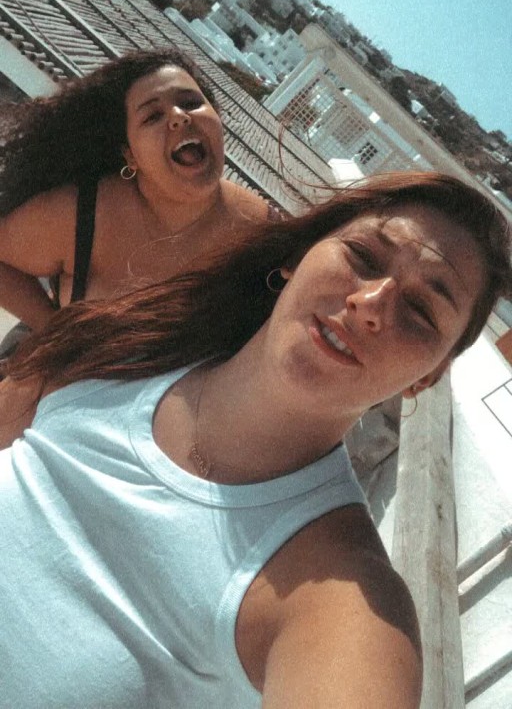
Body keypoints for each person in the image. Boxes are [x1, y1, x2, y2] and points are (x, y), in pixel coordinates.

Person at [0, 171, 510, 708]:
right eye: (362, 256)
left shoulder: (338, 594)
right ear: (298, 256)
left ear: (426, 378)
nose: (371, 303)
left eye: (421, 311)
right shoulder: (124, 344)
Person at [0, 45, 272, 335]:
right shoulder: (84, 214)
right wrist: (53, 333)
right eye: (152, 116)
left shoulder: (263, 235)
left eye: (191, 102)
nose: (179, 116)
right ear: (130, 155)